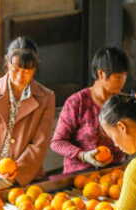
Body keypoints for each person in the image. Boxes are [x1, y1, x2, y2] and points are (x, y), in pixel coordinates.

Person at [0, 38, 56, 194]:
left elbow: (39, 145)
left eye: (26, 71)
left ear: (35, 69)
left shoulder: (46, 98)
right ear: (7, 63)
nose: (20, 77)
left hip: (24, 178)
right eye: (15, 69)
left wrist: (13, 176)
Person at [51, 46, 130, 175]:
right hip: (80, 176)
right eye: (118, 77)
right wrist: (83, 155)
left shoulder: (123, 102)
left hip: (114, 175)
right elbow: (57, 143)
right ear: (101, 74)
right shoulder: (77, 102)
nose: (123, 82)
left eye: (125, 76)